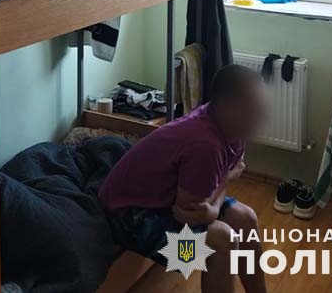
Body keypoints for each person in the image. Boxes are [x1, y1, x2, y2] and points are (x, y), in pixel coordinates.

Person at [99, 65, 269, 293]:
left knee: (246, 219)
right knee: (222, 242)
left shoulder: (233, 130)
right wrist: (226, 182)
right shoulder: (206, 145)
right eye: (255, 110)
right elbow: (190, 215)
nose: (262, 116)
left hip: (167, 201)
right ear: (228, 108)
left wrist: (214, 203)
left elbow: (210, 199)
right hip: (128, 218)